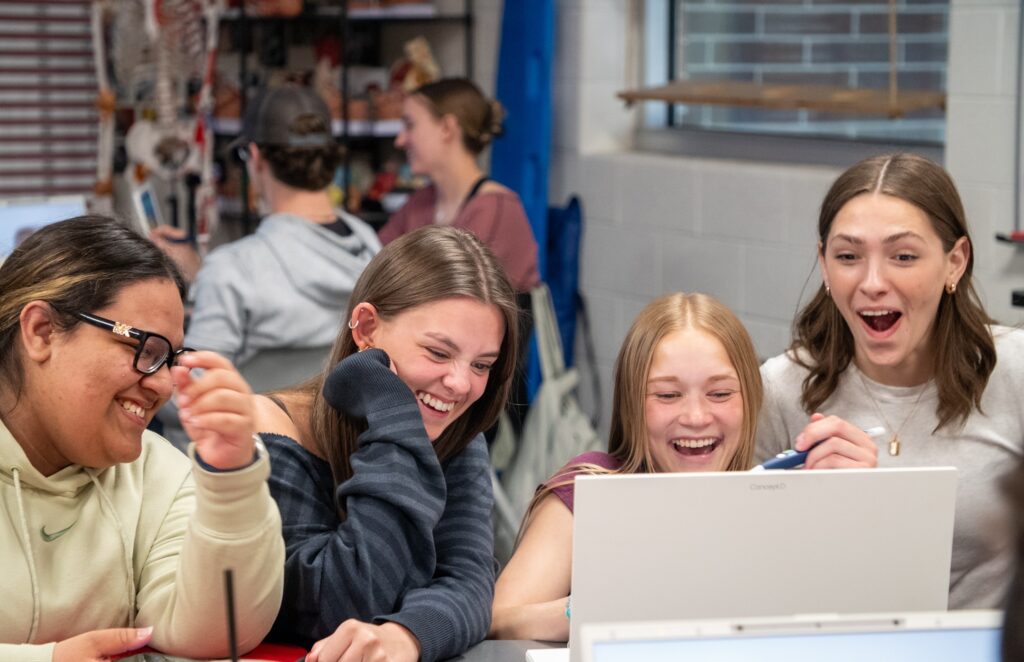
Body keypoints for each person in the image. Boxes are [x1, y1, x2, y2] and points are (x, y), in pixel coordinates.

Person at [0, 216, 284, 661]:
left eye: (170, 358)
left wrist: (234, 483)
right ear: (41, 331)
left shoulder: (156, 473)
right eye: (145, 349)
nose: (164, 385)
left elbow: (219, 633)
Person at [756, 152, 1024, 609]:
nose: (873, 282)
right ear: (824, 264)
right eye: (848, 256)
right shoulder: (781, 389)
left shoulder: (1015, 372)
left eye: (903, 256)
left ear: (955, 262)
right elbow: (744, 565)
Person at [252, 225, 520, 662]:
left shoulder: (456, 433)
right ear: (366, 327)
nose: (460, 384)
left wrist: (407, 636)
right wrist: (391, 409)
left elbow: (470, 586)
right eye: (438, 353)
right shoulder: (272, 427)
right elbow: (337, 604)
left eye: (482, 365)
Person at [489, 292, 761, 641]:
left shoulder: (770, 500)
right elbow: (498, 621)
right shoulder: (585, 493)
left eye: (720, 394)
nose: (696, 417)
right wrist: (591, 608)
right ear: (632, 403)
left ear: (750, 399)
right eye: (667, 395)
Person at [151, 84, 381, 366]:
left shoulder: (232, 271)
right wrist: (205, 277)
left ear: (256, 156)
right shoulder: (370, 248)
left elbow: (195, 385)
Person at [377, 78, 540, 294]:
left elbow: (451, 295)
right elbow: (374, 263)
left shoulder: (497, 208)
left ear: (447, 128)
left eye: (410, 125)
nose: (400, 140)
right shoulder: (421, 202)